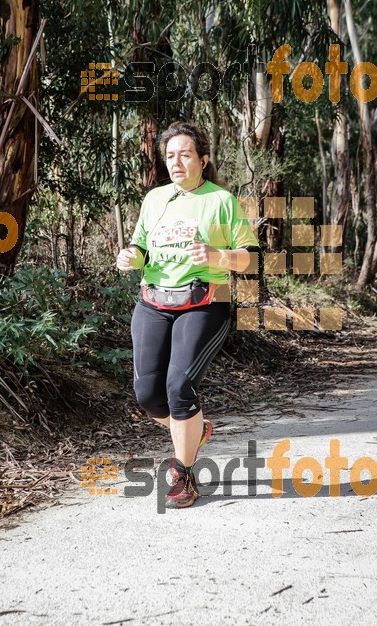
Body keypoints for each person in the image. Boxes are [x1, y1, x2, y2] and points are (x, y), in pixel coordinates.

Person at [116, 121, 258, 508]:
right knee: (147, 395)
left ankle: (182, 473)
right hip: (153, 301)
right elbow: (139, 245)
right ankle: (196, 430)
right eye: (170, 156)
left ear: (203, 159)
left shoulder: (221, 200)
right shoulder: (155, 199)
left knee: (179, 387)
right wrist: (131, 256)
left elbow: (253, 258)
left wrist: (218, 257)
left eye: (185, 154)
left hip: (206, 302)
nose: (176, 162)